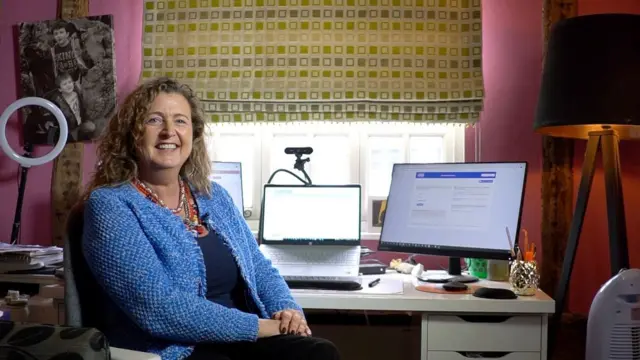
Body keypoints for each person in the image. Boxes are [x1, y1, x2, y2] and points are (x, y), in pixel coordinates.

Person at [81, 77, 341, 360]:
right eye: (154, 120)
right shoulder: (110, 206)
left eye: (180, 121)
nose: (169, 131)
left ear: (193, 135)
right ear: (132, 133)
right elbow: (158, 308)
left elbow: (258, 266)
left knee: (319, 353)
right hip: (175, 349)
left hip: (242, 339)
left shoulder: (212, 195)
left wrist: (288, 311)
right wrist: (261, 326)